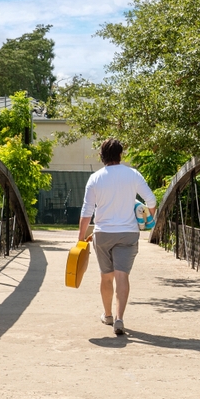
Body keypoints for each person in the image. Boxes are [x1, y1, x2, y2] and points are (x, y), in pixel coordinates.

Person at [78, 138, 156, 336]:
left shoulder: (95, 178)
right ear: (121, 155)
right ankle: (119, 319)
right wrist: (148, 218)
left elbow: (87, 211)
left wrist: (80, 237)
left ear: (101, 156)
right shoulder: (133, 175)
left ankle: (108, 315)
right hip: (128, 233)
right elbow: (151, 200)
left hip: (102, 233)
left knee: (106, 277)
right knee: (122, 276)